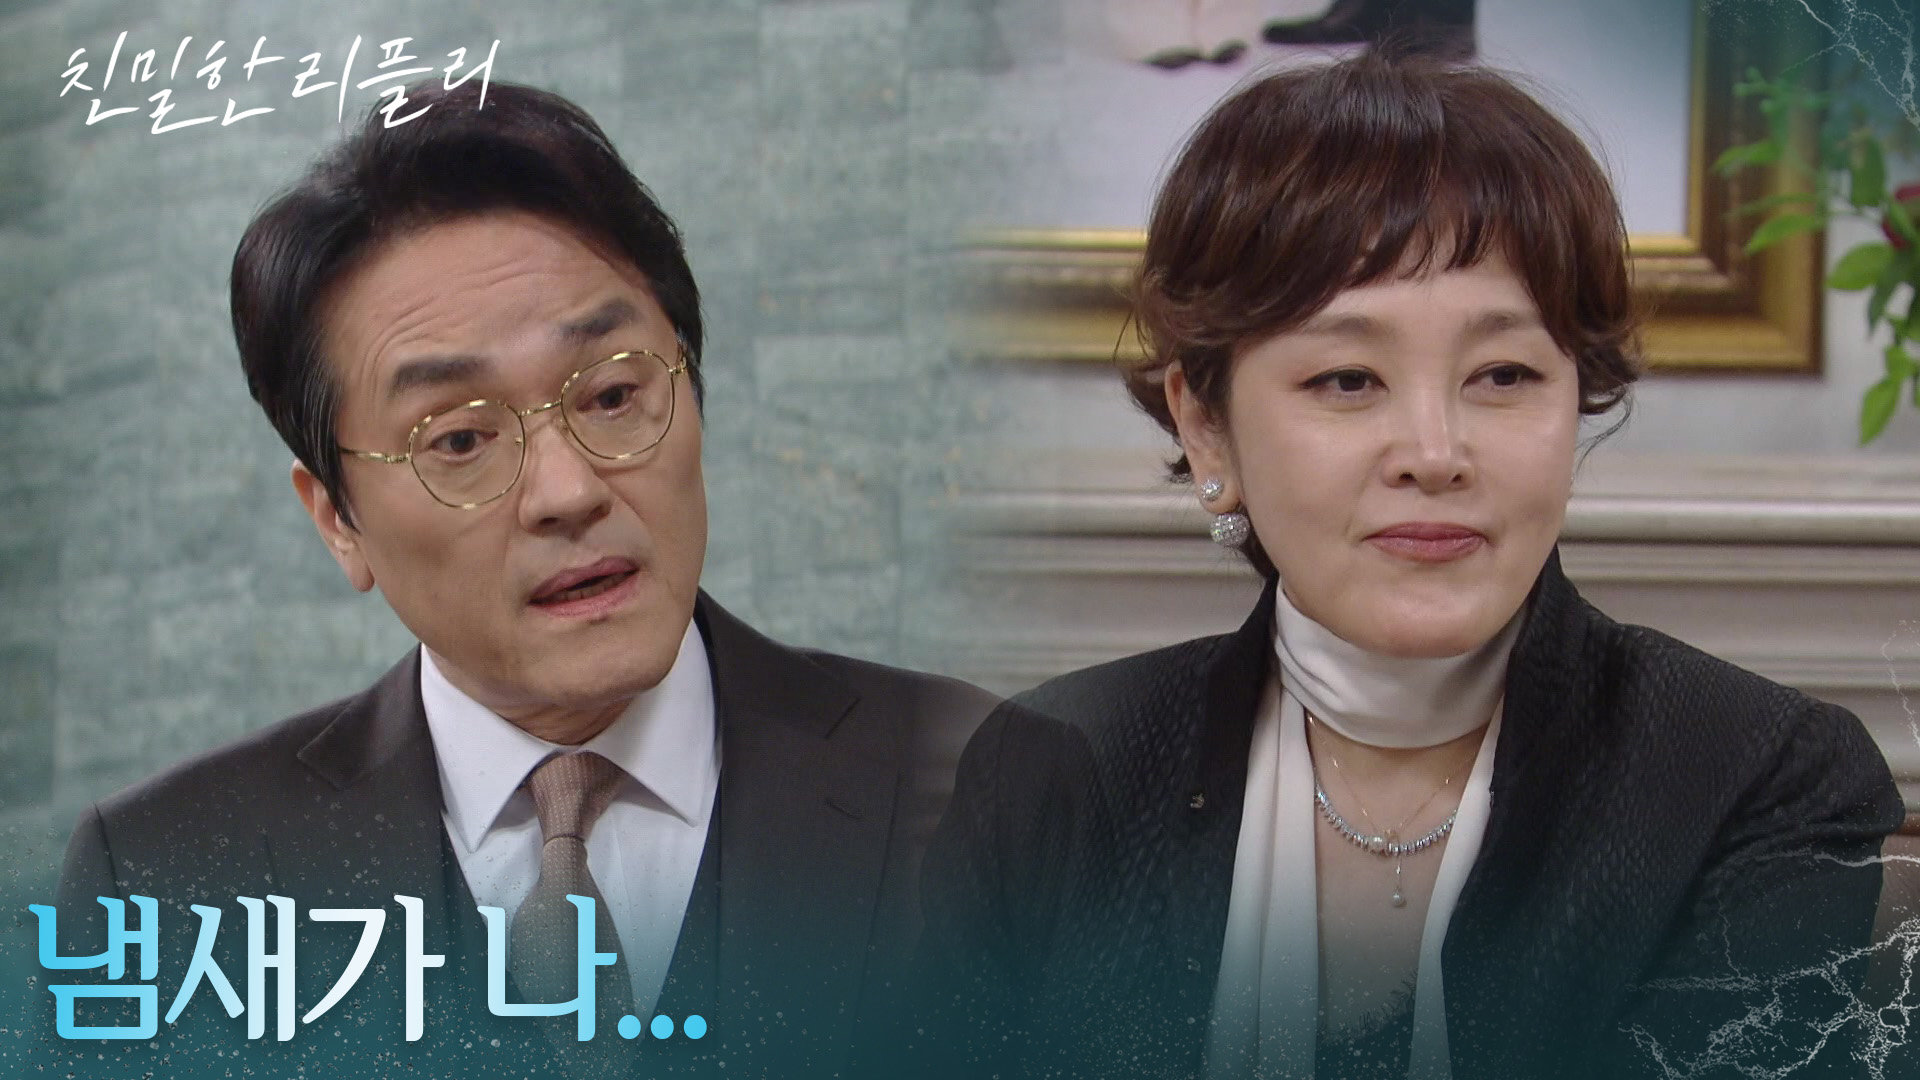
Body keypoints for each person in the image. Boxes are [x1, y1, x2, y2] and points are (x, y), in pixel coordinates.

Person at [915, 50, 1903, 1079]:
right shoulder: (1050, 774)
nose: (1435, 454)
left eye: (1504, 374)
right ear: (1207, 428)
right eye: (1348, 379)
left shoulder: (1757, 779)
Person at [45, 79, 993, 1079]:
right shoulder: (161, 880)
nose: (568, 492)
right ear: (337, 520)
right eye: (459, 439)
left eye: (614, 395)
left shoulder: (981, 781)